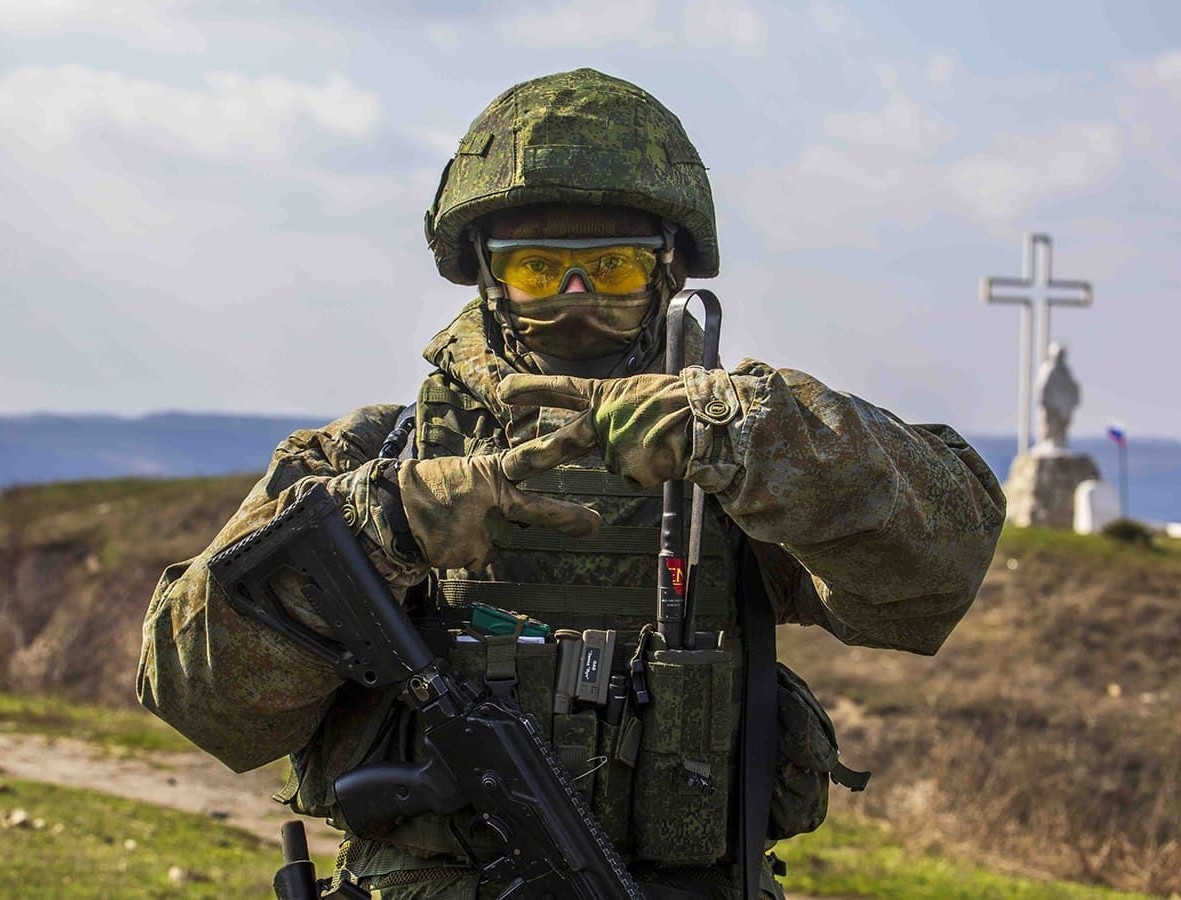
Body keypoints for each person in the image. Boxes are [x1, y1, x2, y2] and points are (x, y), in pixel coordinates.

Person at [137, 68, 1005, 899]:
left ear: (668, 271)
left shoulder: (733, 455)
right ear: (487, 272)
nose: (577, 298)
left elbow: (934, 578)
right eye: (539, 270)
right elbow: (195, 695)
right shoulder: (379, 454)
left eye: (614, 269)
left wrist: (751, 438)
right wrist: (383, 531)